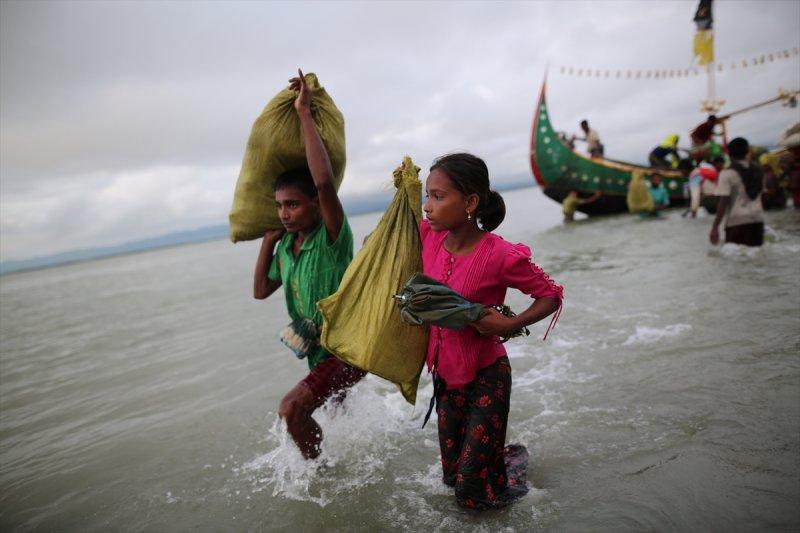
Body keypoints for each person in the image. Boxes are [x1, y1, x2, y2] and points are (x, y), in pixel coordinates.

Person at [419, 153, 563, 510]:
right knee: (451, 479)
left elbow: (550, 295)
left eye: (438, 197)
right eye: (426, 195)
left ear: (470, 202)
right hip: (444, 378)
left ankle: (514, 482)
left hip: (486, 376)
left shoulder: (500, 254)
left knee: (470, 490)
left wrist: (511, 324)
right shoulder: (427, 237)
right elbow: (379, 246)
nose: (427, 207)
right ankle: (504, 460)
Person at [253, 69, 365, 459]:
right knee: (337, 414)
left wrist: (304, 113)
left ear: (316, 206)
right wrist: (267, 243)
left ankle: (322, 474)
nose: (284, 213)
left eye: (293, 204)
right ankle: (349, 464)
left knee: (292, 409)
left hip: (348, 349)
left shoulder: (333, 238)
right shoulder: (286, 249)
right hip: (320, 353)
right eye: (280, 206)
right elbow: (261, 291)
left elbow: (323, 183)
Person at [709, 137, 765, 247]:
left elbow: (723, 202)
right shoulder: (758, 170)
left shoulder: (726, 173)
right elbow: (762, 195)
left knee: (734, 259)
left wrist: (715, 227)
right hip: (758, 220)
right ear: (747, 151)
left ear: (729, 154)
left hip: (736, 222)